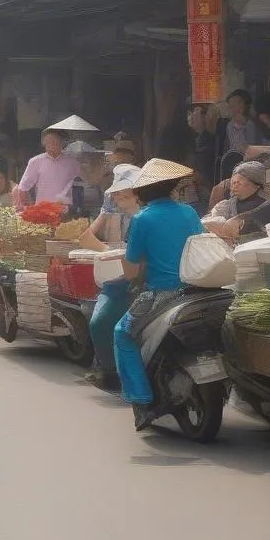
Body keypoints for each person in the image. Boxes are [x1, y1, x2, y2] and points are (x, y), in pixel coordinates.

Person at [112, 159, 204, 417]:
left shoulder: (142, 219)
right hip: (198, 290)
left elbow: (131, 273)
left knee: (122, 333)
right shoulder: (189, 212)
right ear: (172, 188)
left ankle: (140, 397)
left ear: (140, 192)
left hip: (163, 295)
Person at [83, 164, 142, 391]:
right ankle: (108, 369)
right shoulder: (111, 207)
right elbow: (86, 237)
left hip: (149, 277)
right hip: (121, 276)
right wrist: (108, 249)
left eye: (124, 191)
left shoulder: (148, 214)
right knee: (100, 322)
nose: (118, 196)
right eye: (116, 192)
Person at [203, 161, 270, 241]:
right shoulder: (225, 205)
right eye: (233, 183)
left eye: (238, 183)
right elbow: (209, 222)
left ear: (256, 185)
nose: (234, 186)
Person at [13, 128, 81, 208]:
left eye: (54, 142)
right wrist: (31, 207)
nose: (51, 145)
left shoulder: (72, 162)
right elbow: (23, 188)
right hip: (43, 210)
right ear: (43, 143)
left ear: (61, 143)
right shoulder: (35, 161)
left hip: (65, 210)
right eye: (48, 142)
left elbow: (83, 181)